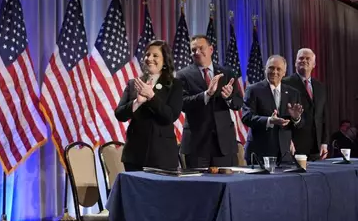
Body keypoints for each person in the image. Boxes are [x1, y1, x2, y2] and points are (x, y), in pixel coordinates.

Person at [176, 35, 243, 168]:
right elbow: (182, 104)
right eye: (193, 50)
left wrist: (228, 97)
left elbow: (238, 103)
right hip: (196, 144)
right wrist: (207, 94)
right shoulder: (183, 75)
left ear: (211, 49)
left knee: (226, 184)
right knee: (198, 187)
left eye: (201, 48)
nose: (197, 52)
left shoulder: (227, 73)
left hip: (223, 144)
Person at [115, 40, 183, 171]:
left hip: (162, 155)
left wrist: (152, 97)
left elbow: (170, 116)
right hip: (134, 155)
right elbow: (120, 114)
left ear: (165, 61)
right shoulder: (133, 84)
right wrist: (137, 102)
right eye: (147, 55)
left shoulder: (175, 85)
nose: (149, 58)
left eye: (155, 55)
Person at [242, 55, 304, 165]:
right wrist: (269, 120)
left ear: (284, 72)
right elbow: (246, 117)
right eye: (271, 68)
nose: (274, 72)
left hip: (284, 154)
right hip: (259, 153)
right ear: (265, 69)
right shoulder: (253, 90)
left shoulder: (293, 93)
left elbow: (300, 125)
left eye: (278, 69)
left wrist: (296, 118)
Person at [282, 48, 328, 160]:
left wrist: (324, 142)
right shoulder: (285, 83)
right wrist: (286, 139)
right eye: (301, 58)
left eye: (308, 58)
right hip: (295, 145)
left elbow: (324, 116)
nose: (304, 60)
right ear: (295, 63)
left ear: (314, 64)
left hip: (316, 147)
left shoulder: (320, 86)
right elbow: (281, 113)